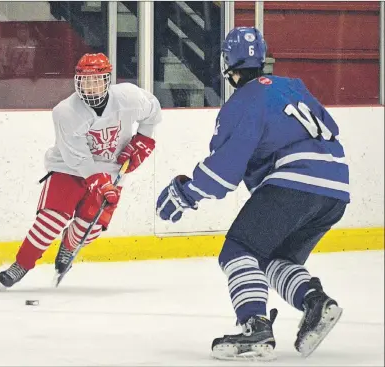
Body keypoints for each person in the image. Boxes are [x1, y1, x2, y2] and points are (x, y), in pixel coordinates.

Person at [156, 27, 349, 361]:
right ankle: (316, 303)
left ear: (229, 64)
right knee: (275, 258)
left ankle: (255, 327)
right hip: (336, 187)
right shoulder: (293, 86)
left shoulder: (242, 102)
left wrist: (186, 194)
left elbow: (224, 170)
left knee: (238, 250)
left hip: (294, 183)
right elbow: (329, 127)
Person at [0, 53, 161, 288]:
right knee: (52, 219)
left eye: (96, 80)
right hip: (68, 167)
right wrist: (101, 182)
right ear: (77, 81)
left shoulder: (129, 97)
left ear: (107, 80)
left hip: (112, 170)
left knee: (90, 227)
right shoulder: (65, 112)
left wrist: (143, 140)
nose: (90, 86)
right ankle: (21, 265)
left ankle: (68, 246)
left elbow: (153, 113)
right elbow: (79, 159)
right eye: (85, 81)